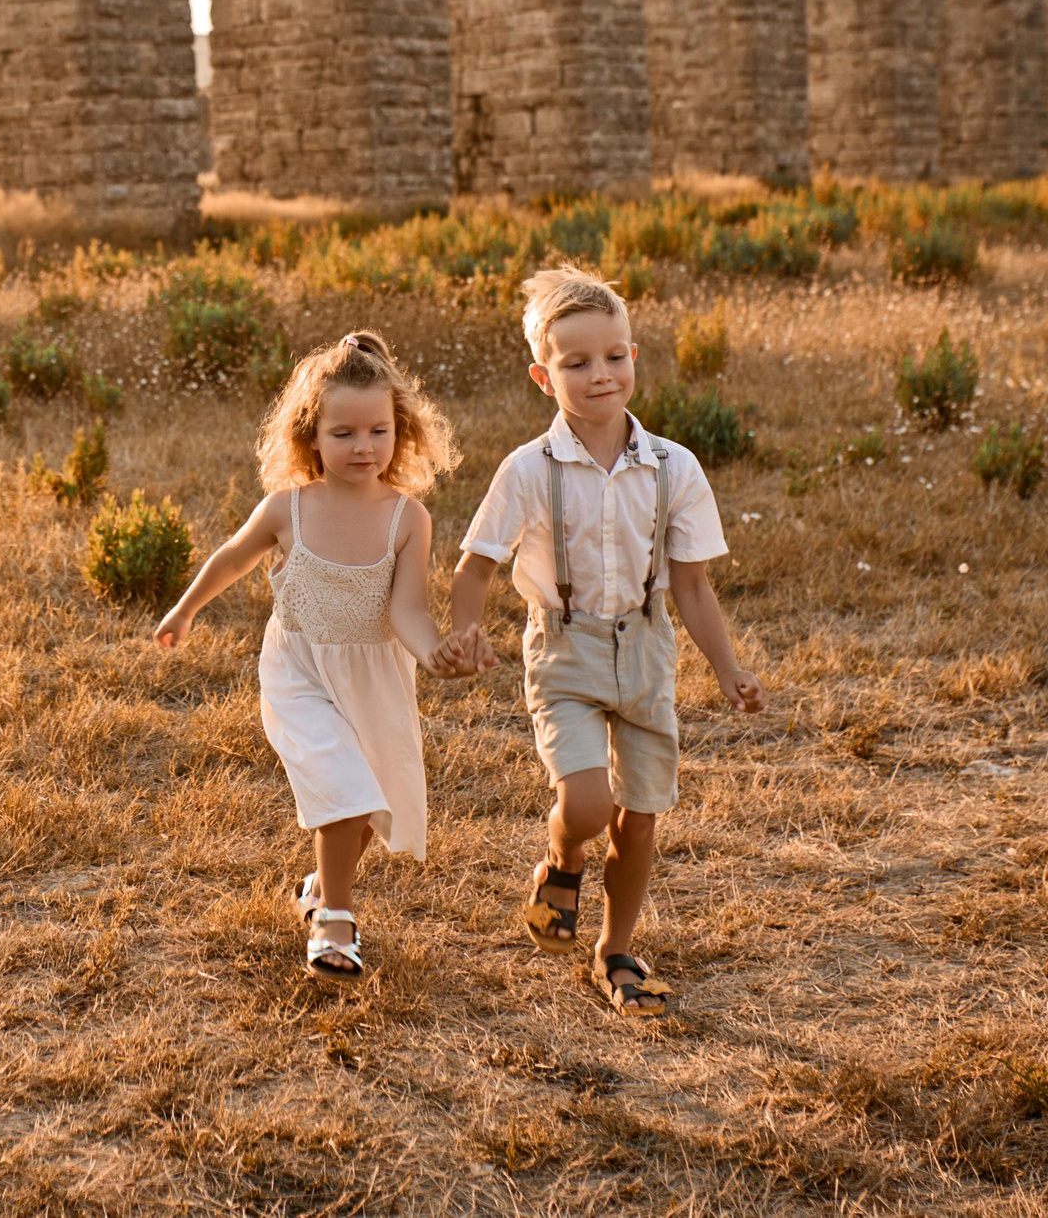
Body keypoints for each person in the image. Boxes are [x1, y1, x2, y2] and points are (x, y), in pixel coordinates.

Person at [436, 267, 765, 1017]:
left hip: (645, 649)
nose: (601, 375)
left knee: (639, 815)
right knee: (586, 806)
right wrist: (464, 631)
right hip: (565, 648)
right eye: (577, 362)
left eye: (614, 356)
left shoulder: (674, 466)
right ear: (543, 377)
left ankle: (614, 950)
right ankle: (561, 861)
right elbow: (476, 564)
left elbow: (692, 586)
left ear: (634, 356)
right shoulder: (528, 469)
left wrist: (729, 669)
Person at [154, 332, 459, 981]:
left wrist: (435, 652)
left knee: (368, 801)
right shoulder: (287, 509)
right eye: (343, 433)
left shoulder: (407, 518)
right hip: (300, 672)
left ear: (400, 431)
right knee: (342, 788)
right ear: (310, 436)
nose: (363, 446)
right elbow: (232, 558)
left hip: (375, 677)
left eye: (378, 431)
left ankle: (321, 884)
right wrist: (185, 610)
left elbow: (408, 609)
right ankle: (335, 921)